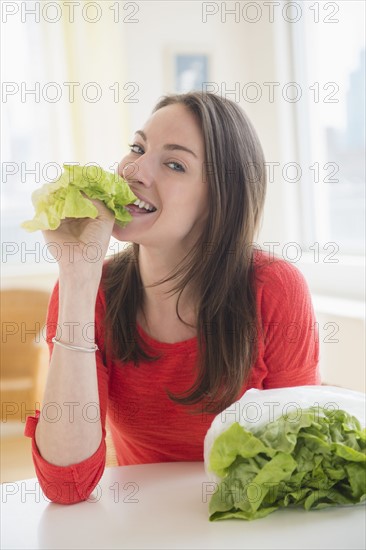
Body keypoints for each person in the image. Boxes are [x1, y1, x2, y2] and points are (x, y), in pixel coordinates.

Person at [25, 92, 320, 505]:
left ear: (219, 199)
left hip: (250, 520)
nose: (135, 169)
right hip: (143, 522)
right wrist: (77, 275)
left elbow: (299, 460)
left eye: (174, 163)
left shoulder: (274, 288)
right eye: (138, 148)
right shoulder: (91, 291)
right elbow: (66, 485)